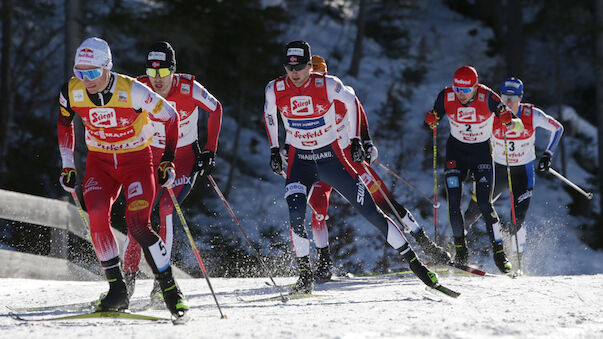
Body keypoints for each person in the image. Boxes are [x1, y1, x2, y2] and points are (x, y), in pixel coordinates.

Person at [264, 40, 440, 294]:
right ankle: (305, 276)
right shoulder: (275, 88)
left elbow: (353, 102)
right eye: (290, 68)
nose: (295, 74)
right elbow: (269, 114)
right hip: (300, 162)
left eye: (301, 68)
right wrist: (273, 148)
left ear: (310, 68)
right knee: (296, 214)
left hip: (333, 161)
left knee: (373, 213)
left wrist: (359, 140)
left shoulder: (327, 84)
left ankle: (418, 265)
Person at [57, 37, 187, 318]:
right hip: (100, 164)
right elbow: (64, 123)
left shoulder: (133, 91)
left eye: (92, 73)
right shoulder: (71, 91)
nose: (86, 79)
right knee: (97, 216)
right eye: (80, 72)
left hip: (136, 161)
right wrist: (68, 164)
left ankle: (170, 290)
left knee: (138, 224)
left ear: (107, 67)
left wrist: (168, 159)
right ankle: (117, 291)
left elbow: (171, 116)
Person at [302, 55, 450, 283]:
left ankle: (426, 245)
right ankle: (323, 264)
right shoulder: (302, 103)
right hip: (322, 161)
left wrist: (366, 144)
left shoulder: (341, 93)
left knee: (386, 202)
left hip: (349, 159)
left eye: (321, 77)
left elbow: (360, 119)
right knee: (318, 209)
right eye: (313, 78)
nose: (317, 82)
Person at [122, 41, 223, 303]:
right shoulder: (139, 86)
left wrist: (210, 150)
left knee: (166, 208)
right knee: (137, 214)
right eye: (152, 73)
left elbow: (216, 108)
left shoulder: (189, 88)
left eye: (163, 73)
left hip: (183, 159)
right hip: (149, 157)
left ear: (173, 72)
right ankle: (127, 280)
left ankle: (160, 281)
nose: (157, 80)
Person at [424, 65, 524, 274]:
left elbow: (516, 123)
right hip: (456, 153)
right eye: (458, 89)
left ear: (475, 87)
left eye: (466, 90)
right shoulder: (446, 96)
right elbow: (435, 116)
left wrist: (509, 120)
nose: (461, 95)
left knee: (485, 203)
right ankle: (461, 250)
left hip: (481, 153)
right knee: (453, 202)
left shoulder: (488, 97)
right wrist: (431, 120)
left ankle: (499, 254)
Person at [463, 77, 563, 267]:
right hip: (498, 169)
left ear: (520, 98)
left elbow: (557, 128)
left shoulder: (531, 114)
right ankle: (457, 249)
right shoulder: (493, 114)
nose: (508, 102)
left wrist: (548, 154)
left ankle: (517, 262)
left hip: (522, 172)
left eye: (513, 98)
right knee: (473, 210)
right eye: (505, 97)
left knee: (517, 218)